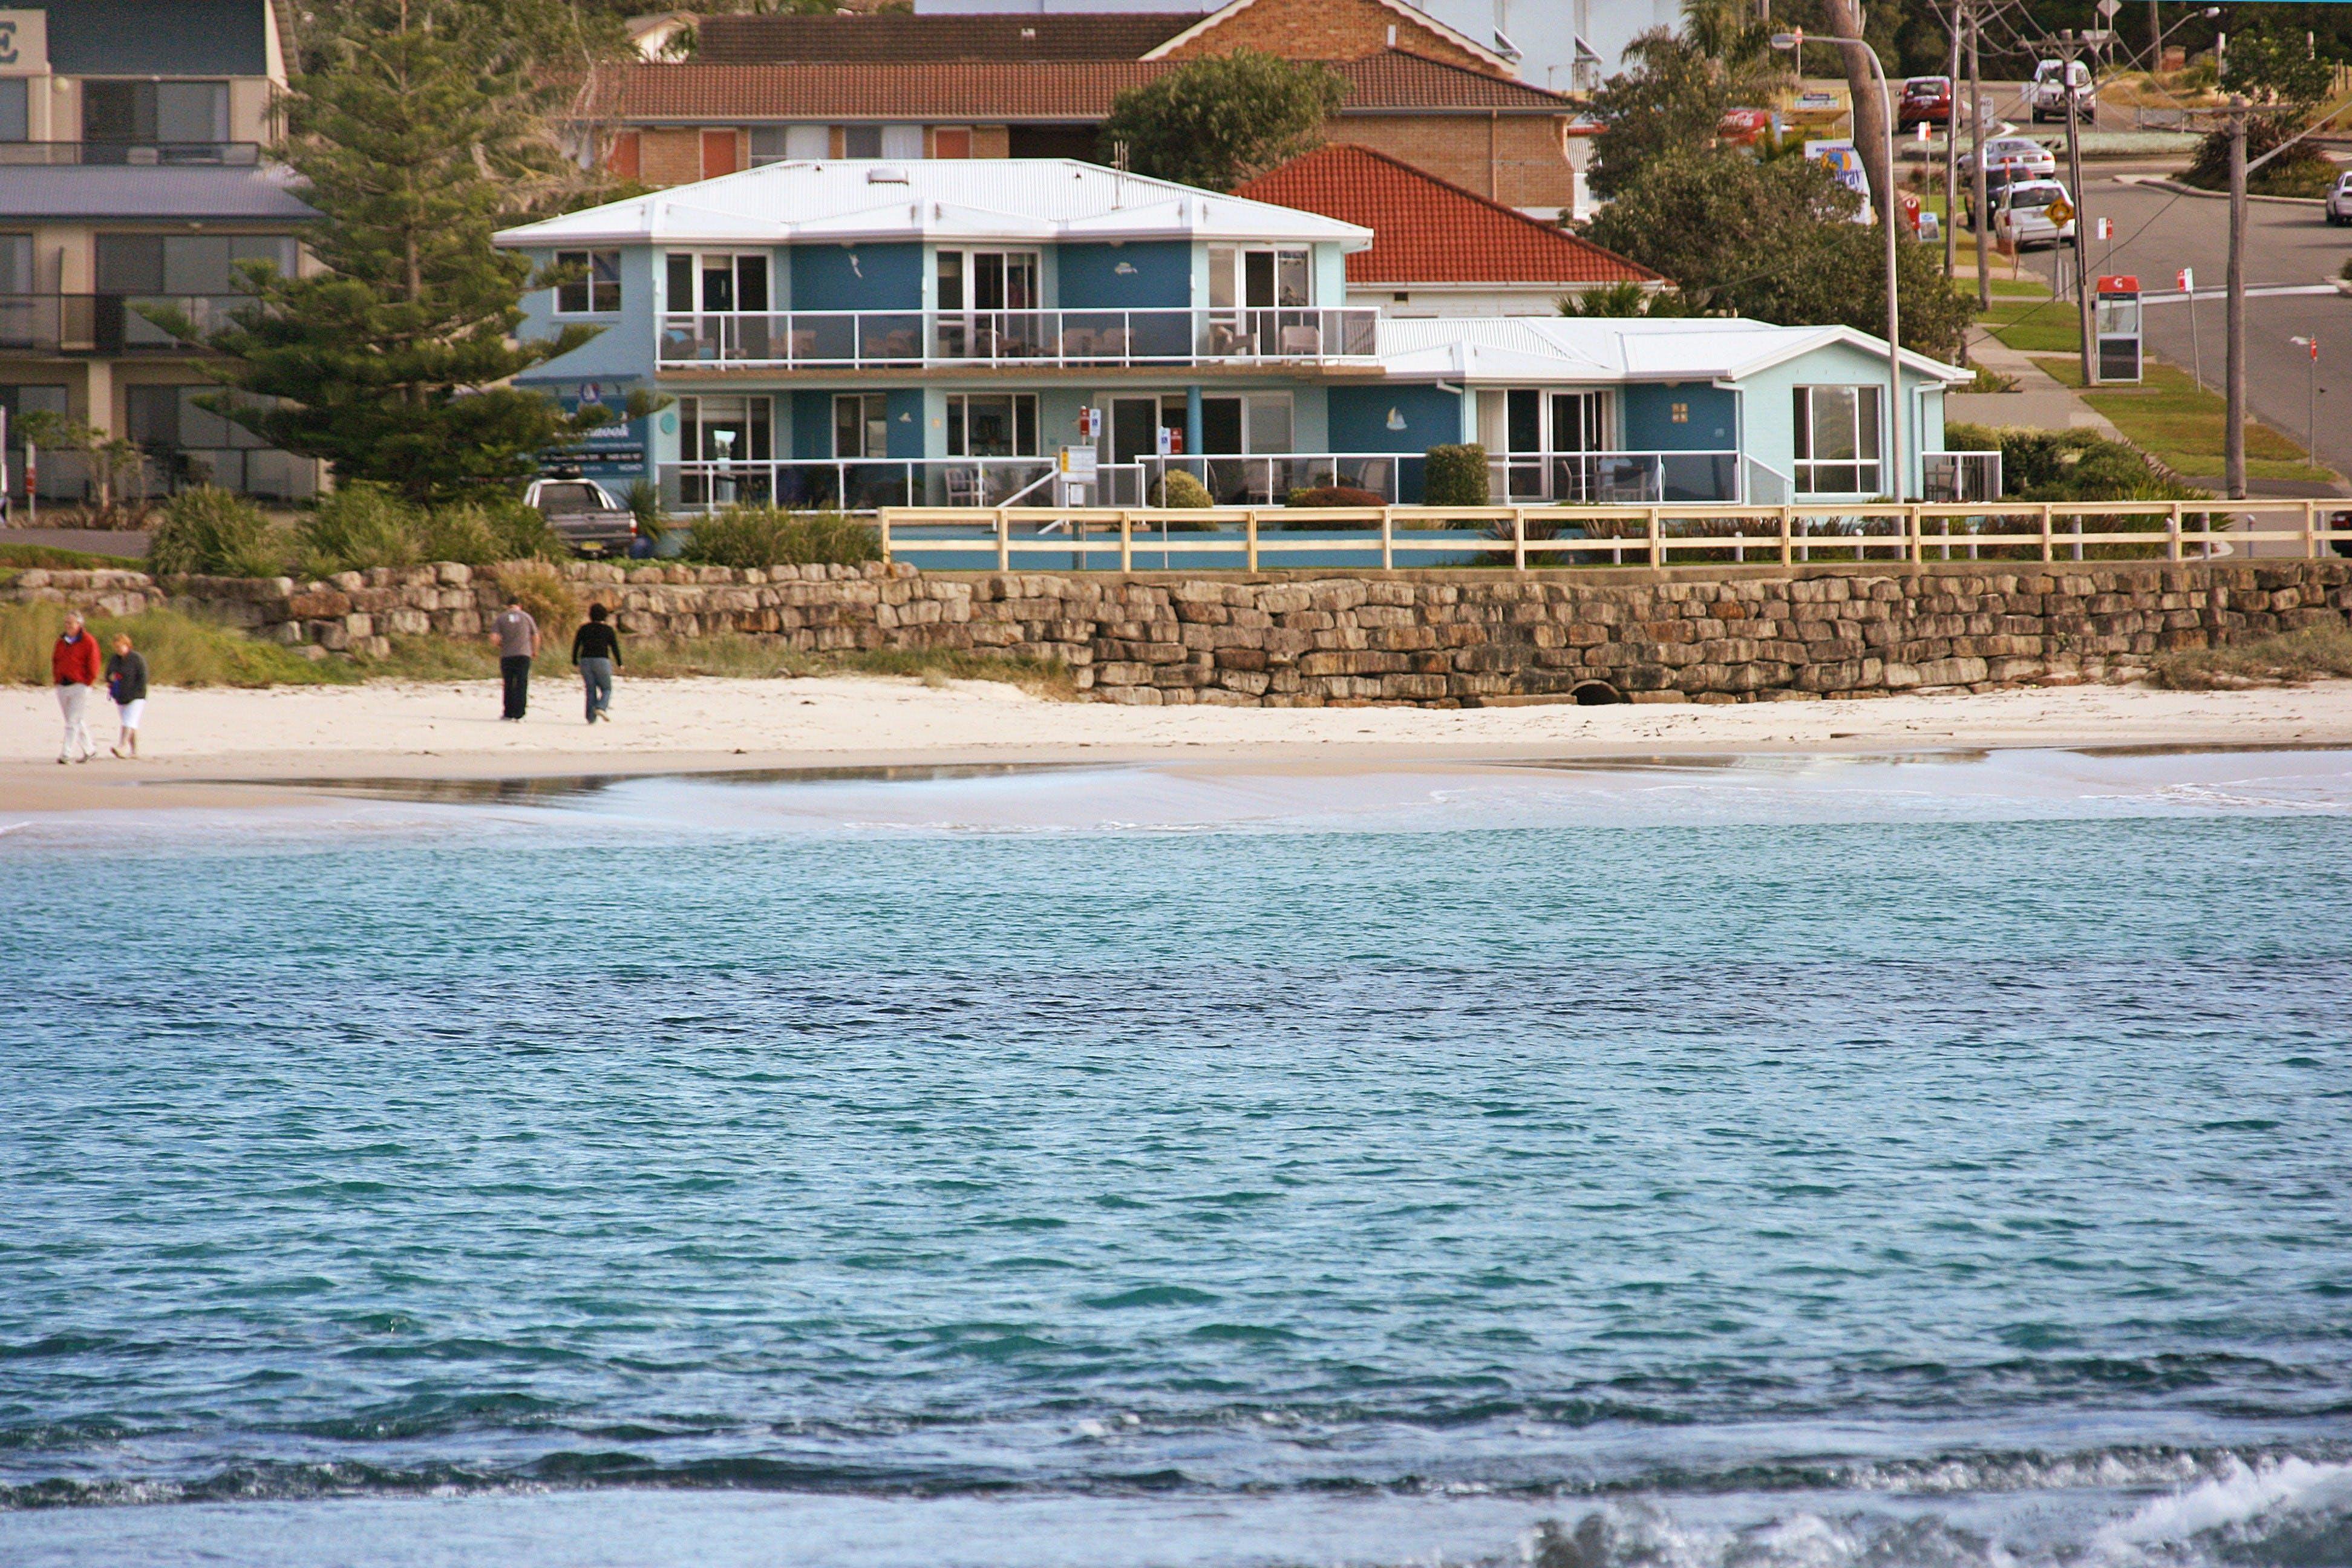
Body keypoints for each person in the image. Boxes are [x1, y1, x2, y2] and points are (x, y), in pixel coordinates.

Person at [51, 611, 101, 765]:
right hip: (63, 685)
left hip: (80, 685)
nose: (68, 626)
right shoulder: (61, 641)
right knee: (74, 720)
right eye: (66, 623)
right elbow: (56, 660)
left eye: (71, 623)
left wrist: (87, 681)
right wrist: (57, 678)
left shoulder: (88, 641)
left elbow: (94, 663)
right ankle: (90, 750)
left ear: (79, 624)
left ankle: (66, 753)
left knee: (72, 721)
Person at [488, 598, 540, 720]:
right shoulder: (527, 617)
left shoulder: (501, 618)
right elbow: (536, 635)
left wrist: (502, 645)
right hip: (524, 654)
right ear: (520, 605)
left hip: (507, 655)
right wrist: (535, 651)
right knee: (522, 683)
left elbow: (494, 638)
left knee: (509, 683)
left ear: (507, 606)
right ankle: (520, 713)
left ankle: (508, 712)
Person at [571, 603, 621, 724]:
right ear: (605, 616)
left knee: (590, 689)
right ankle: (601, 707)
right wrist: (620, 663)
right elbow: (614, 647)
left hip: (585, 660)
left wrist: (574, 660)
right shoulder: (608, 630)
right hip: (602, 660)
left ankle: (590, 718)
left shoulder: (584, 628)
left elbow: (577, 645)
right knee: (606, 688)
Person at [105, 633, 149, 759]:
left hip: (137, 697)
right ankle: (135, 751)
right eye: (116, 647)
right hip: (121, 696)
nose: (118, 650)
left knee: (128, 721)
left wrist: (137, 692)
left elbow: (143, 677)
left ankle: (122, 746)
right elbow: (108, 674)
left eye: (120, 647)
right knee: (132, 723)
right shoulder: (114, 659)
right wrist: (111, 677)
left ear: (127, 645)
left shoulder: (137, 659)